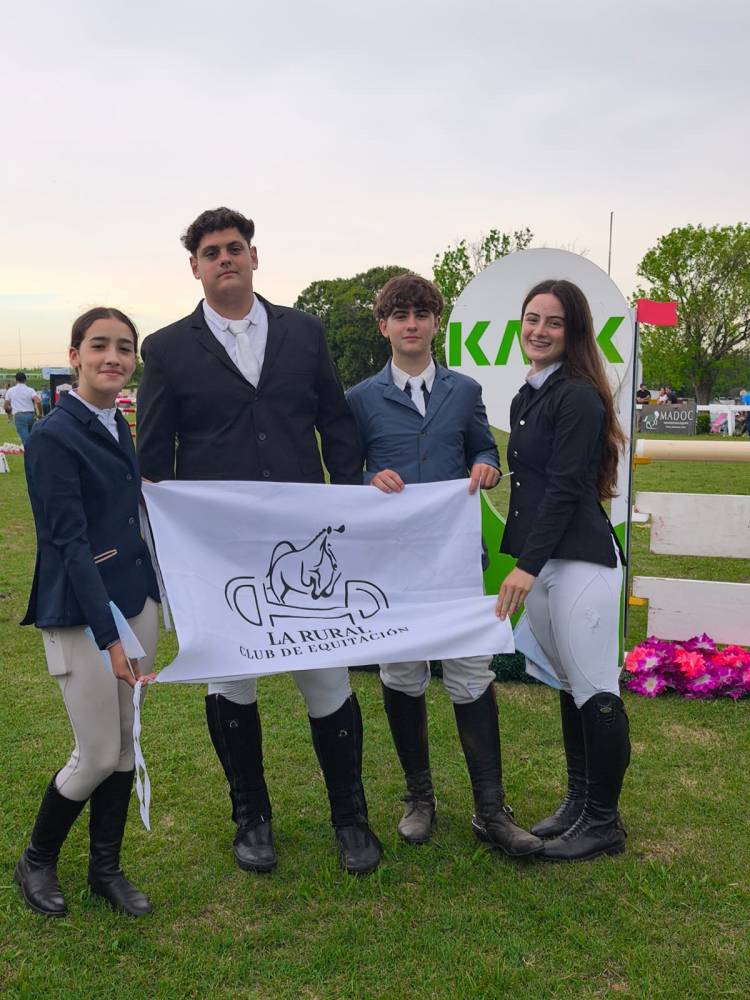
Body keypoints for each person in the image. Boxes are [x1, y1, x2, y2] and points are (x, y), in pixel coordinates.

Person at [136, 207, 381, 876]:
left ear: (253, 256)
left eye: (235, 247)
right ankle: (251, 816)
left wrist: (349, 500)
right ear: (195, 267)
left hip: (304, 538)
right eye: (211, 252)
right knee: (230, 676)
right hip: (216, 547)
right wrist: (163, 541)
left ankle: (350, 815)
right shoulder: (166, 348)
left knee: (325, 673)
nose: (225, 258)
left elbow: (336, 422)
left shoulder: (304, 331)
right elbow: (153, 454)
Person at [346, 274, 542, 858]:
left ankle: (491, 809)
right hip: (392, 566)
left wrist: (487, 466)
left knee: (470, 672)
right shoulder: (360, 398)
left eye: (421, 314)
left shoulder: (464, 390)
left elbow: (483, 447)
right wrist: (366, 478)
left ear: (436, 323)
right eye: (399, 315)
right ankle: (419, 797)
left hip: (456, 559)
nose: (411, 324)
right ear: (383, 326)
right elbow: (346, 469)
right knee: (402, 673)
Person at [16, 308, 161, 917]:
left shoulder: (116, 423)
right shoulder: (54, 435)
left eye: (124, 348)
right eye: (99, 346)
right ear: (74, 355)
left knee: (125, 747)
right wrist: (111, 639)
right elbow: (69, 544)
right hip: (84, 613)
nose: (113, 357)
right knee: (98, 753)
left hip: (136, 599)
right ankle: (36, 859)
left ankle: (106, 868)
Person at [496, 279, 631, 862]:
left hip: (581, 562)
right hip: (547, 561)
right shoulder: (526, 396)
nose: (539, 331)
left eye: (554, 322)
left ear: (573, 331)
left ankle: (603, 822)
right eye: (532, 319)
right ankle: (579, 801)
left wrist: (524, 566)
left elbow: (566, 486)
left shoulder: (577, 396)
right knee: (570, 684)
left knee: (595, 689)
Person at [5, 372, 41, 444]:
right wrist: (40, 413)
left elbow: (6, 406)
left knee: (26, 440)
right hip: (31, 415)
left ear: (16, 380)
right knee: (33, 438)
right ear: (25, 380)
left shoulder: (10, 390)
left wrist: (9, 413)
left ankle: (31, 451)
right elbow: (38, 401)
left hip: (19, 416)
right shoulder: (30, 390)